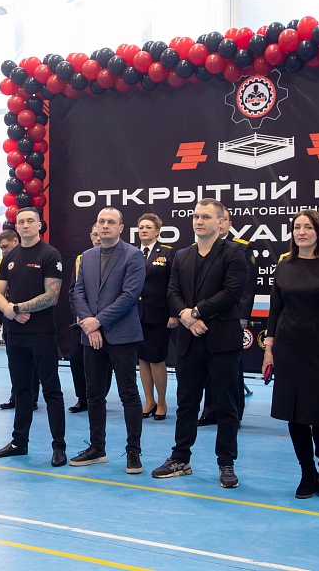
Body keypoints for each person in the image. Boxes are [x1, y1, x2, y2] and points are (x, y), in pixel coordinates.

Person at [152, 198, 247, 488]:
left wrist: (195, 312)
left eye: (206, 216)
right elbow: (172, 292)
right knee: (186, 403)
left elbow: (232, 292)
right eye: (196, 216)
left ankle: (226, 462)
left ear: (221, 222)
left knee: (226, 405)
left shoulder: (235, 253)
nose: (199, 221)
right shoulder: (182, 255)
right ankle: (180, 458)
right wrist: (187, 317)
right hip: (189, 341)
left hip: (222, 342)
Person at [262, 210, 319, 499]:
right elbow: (275, 310)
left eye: (308, 227)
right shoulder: (284, 265)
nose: (301, 232)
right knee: (295, 414)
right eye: (297, 227)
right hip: (288, 347)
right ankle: (307, 472)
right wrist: (269, 350)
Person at [71, 207, 146, 474]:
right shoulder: (87, 257)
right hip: (91, 336)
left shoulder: (133, 255)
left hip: (122, 336)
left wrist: (98, 321)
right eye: (101, 221)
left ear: (121, 228)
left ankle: (133, 452)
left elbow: (129, 295)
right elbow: (78, 293)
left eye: (111, 222)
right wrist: (89, 324)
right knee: (94, 394)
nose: (105, 226)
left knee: (128, 394)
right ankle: (97, 448)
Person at [0, 207, 67, 466]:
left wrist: (17, 308)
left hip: (42, 333)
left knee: (51, 390)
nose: (25, 225)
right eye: (21, 221)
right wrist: (9, 311)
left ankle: (59, 446)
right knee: (21, 390)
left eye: (30, 221)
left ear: (39, 225)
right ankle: (18, 442)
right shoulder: (9, 257)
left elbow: (52, 296)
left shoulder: (50, 254)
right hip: (15, 334)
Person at [198, 206, 257, 426]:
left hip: (231, 317)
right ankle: (210, 411)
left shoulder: (241, 248)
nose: (220, 223)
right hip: (206, 316)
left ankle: (234, 413)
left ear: (229, 224)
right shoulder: (198, 250)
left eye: (224, 220)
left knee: (232, 370)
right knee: (208, 367)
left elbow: (247, 288)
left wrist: (242, 317)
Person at [136, 213, 177, 421]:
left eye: (149, 227)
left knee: (157, 359)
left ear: (157, 231)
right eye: (141, 227)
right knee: (142, 360)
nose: (144, 230)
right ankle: (149, 401)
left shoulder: (168, 253)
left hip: (159, 315)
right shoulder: (133, 253)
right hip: (136, 315)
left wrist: (174, 313)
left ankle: (161, 402)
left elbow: (174, 285)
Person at [0, 229, 40, 411]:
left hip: (30, 316)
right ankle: (16, 395)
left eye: (5, 246)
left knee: (32, 360)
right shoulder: (2, 262)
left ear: (15, 240)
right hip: (8, 316)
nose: (3, 251)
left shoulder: (32, 257)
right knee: (14, 361)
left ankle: (32, 397)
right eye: (0, 248)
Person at [67, 223, 111, 413]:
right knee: (76, 357)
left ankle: (100, 397)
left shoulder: (117, 258)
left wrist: (101, 319)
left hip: (107, 321)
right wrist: (80, 315)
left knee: (105, 360)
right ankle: (82, 398)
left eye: (100, 234)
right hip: (83, 321)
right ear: (91, 236)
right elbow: (74, 291)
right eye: (95, 234)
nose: (98, 237)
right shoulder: (81, 259)